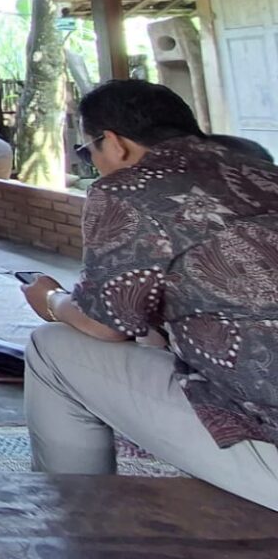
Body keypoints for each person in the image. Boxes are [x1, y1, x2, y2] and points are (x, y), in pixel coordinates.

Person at [21, 79, 278, 510]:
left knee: (53, 350)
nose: (95, 163)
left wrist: (50, 300)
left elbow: (105, 325)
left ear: (115, 143)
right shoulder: (263, 173)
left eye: (89, 151)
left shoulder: (128, 188)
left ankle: (74, 522)